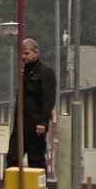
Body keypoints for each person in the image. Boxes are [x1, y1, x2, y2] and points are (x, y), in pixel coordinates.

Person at [5, 38, 57, 171]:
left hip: (35, 125)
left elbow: (48, 100)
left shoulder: (46, 72)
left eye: (26, 53)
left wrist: (42, 122)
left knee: (36, 160)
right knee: (12, 158)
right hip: (20, 125)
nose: (23, 56)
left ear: (36, 53)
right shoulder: (23, 73)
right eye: (21, 53)